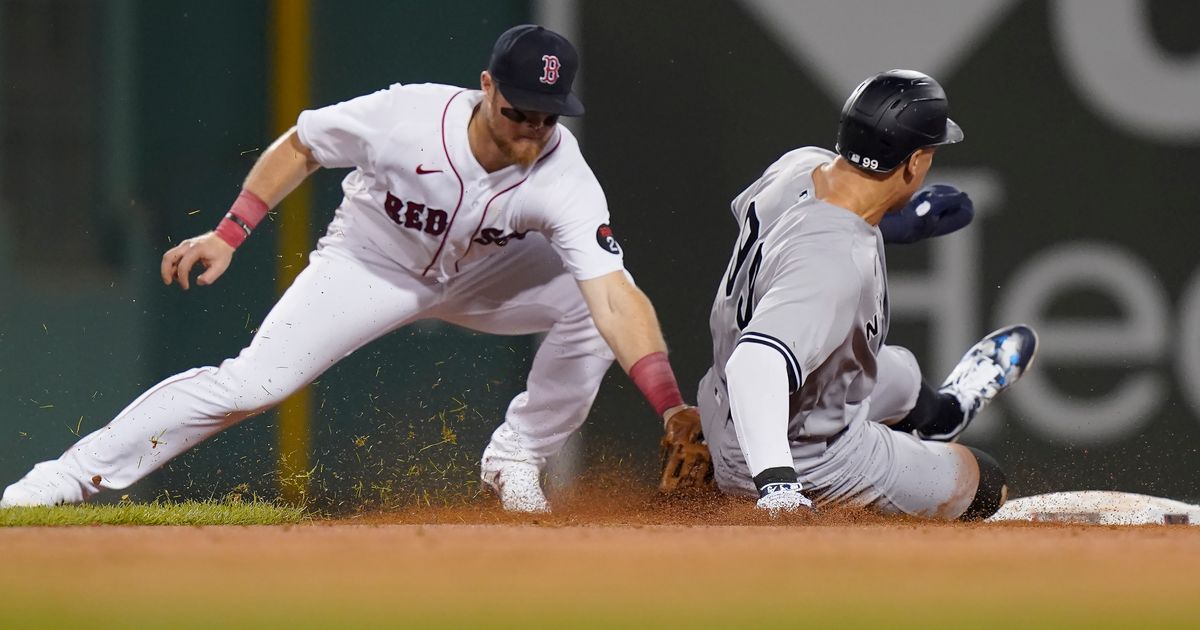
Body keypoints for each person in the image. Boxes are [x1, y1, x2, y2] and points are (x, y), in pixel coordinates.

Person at [1, 24, 696, 513]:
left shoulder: (562, 171)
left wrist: (669, 405)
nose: (530, 132)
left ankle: (516, 457)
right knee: (254, 384)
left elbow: (613, 299)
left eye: (547, 118)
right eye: (518, 112)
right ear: (485, 87)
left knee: (590, 298)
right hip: (371, 265)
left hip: (488, 277)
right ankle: (68, 475)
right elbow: (303, 144)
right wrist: (230, 232)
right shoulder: (406, 117)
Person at [689, 69, 1037, 519]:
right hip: (804, 452)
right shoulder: (833, 264)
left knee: (895, 370)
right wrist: (778, 487)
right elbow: (755, 366)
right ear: (913, 163)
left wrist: (893, 223)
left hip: (729, 400)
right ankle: (885, 474)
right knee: (986, 485)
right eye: (930, 152)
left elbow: (797, 230)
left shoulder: (797, 166)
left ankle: (946, 412)